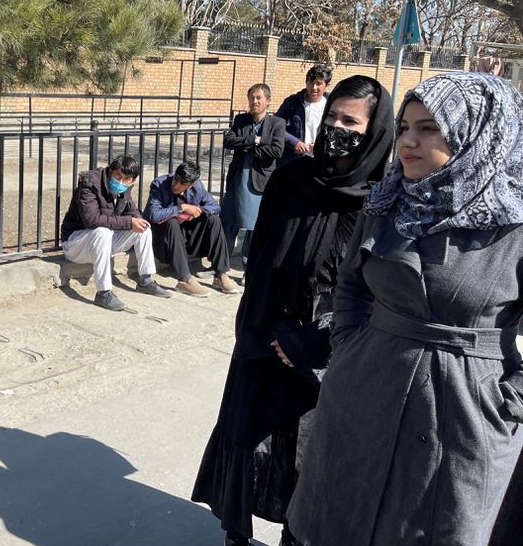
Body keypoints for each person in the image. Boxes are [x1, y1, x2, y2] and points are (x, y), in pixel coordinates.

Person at [287, 72, 523, 546]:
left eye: (429, 128)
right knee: (341, 519)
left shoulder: (513, 225)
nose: (408, 141)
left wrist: (509, 400)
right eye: (404, 127)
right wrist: (349, 349)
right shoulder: (389, 202)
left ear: (475, 132)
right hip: (365, 386)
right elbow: (351, 287)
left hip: (466, 412)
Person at [191, 75, 394, 546]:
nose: (336, 129)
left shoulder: (379, 201)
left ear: (374, 133)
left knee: (308, 453)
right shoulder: (291, 179)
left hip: (327, 352)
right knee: (248, 436)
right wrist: (269, 328)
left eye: (351, 121)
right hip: (265, 335)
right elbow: (261, 256)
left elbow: (374, 289)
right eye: (334, 117)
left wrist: (315, 341)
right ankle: (235, 533)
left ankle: (294, 535)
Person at [61, 155, 170, 311]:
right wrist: (128, 222)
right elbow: (91, 220)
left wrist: (137, 221)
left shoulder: (124, 189)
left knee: (143, 229)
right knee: (102, 232)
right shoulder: (90, 184)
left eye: (126, 179)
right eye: (117, 176)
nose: (120, 182)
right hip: (75, 244)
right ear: (110, 171)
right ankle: (104, 293)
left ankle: (146, 281)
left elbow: (132, 211)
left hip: (102, 245)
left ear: (132, 181)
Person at [143, 161, 240, 296]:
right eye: (176, 179)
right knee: (171, 223)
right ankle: (185, 280)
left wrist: (197, 210)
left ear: (191, 185)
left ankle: (220, 274)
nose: (176, 185)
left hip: (187, 239)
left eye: (182, 183)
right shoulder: (159, 184)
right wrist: (181, 208)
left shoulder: (197, 188)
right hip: (163, 241)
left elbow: (215, 207)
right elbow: (153, 215)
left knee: (213, 219)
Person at [220, 83, 286, 271]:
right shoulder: (241, 120)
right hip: (237, 177)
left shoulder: (277, 123)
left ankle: (248, 265)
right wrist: (253, 140)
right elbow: (228, 141)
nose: (254, 101)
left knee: (253, 226)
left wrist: (248, 148)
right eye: (251, 97)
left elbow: (277, 150)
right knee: (228, 221)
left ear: (268, 101)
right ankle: (221, 264)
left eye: (258, 98)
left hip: (259, 180)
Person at [276, 65, 331, 164]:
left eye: (319, 84)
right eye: (310, 82)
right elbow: (276, 127)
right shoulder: (292, 102)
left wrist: (321, 145)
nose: (314, 87)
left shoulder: (332, 105)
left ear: (326, 85)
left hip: (322, 160)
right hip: (294, 161)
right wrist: (294, 142)